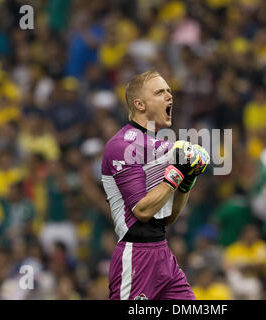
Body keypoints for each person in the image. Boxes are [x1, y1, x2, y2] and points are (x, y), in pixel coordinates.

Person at [100, 70, 210, 300]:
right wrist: (177, 173)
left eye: (169, 91)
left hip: (162, 253)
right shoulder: (121, 145)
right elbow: (141, 210)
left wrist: (187, 179)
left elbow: (167, 217)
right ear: (140, 104)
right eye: (160, 92)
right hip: (136, 255)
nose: (169, 96)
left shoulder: (162, 146)